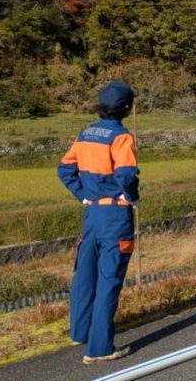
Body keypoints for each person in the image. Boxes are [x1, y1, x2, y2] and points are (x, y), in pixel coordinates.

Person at [57, 81, 139, 364]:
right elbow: (127, 174)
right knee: (109, 278)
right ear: (126, 107)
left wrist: (83, 195)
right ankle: (100, 348)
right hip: (115, 215)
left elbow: (65, 168)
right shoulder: (121, 137)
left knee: (85, 274)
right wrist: (131, 196)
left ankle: (80, 332)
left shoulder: (86, 134)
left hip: (91, 213)